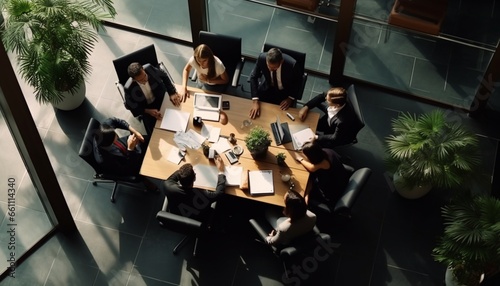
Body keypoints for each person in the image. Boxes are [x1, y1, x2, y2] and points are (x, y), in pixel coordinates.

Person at [94, 117, 157, 191]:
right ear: (110, 143)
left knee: (147, 140)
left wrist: (134, 131)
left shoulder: (104, 129)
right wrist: (130, 149)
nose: (117, 136)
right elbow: (127, 170)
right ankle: (144, 180)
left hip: (124, 147)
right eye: (115, 138)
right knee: (138, 170)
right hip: (124, 164)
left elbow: (116, 121)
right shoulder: (105, 160)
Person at [125, 62, 183, 134]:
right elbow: (132, 107)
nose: (145, 80)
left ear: (143, 69)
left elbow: (164, 76)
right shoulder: (128, 88)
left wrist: (172, 92)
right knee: (156, 132)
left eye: (145, 76)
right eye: (141, 80)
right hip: (146, 108)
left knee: (178, 115)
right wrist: (147, 111)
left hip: (159, 98)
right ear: (134, 80)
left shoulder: (149, 68)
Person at [162, 157, 226, 220]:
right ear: (194, 178)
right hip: (199, 218)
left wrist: (185, 170)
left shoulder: (168, 186)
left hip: (176, 216)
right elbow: (219, 193)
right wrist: (221, 172)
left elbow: (177, 174)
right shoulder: (203, 195)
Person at [295, 140, 351, 207]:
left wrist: (301, 159)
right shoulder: (327, 151)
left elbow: (312, 168)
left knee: (305, 183)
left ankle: (306, 200)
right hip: (341, 178)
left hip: (332, 191)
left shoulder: (323, 163)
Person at [249, 48, 301, 119]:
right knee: (258, 113)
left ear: (281, 61)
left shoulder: (292, 65)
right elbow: (253, 77)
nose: (270, 69)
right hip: (266, 88)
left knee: (280, 116)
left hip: (284, 93)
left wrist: (290, 98)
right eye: (268, 66)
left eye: (274, 68)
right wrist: (255, 101)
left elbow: (298, 82)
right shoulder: (262, 58)